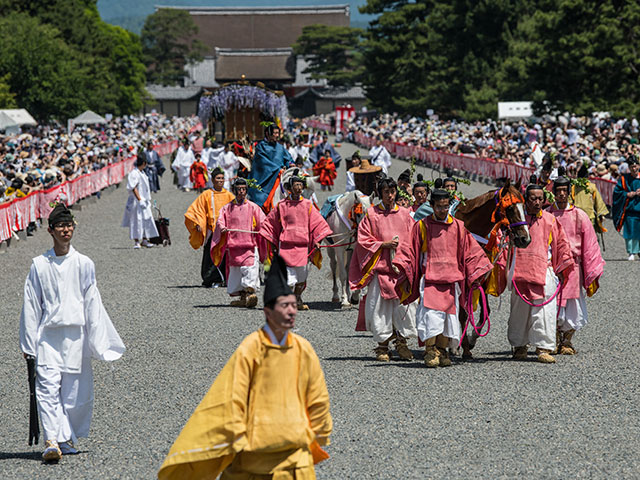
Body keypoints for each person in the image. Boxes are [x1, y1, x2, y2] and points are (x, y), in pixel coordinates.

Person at [157, 254, 332, 480]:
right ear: (267, 313)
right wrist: (234, 437)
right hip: (254, 455)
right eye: (284, 306)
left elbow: (317, 395)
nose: (292, 311)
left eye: (293, 305)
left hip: (294, 456)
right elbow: (231, 397)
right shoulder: (251, 348)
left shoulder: (303, 349)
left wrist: (320, 431)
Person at [20, 203, 125, 461]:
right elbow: (31, 305)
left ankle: (65, 437)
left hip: (76, 336)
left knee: (73, 393)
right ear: (50, 230)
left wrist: (98, 340)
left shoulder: (84, 263)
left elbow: (93, 303)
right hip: (48, 337)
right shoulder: (39, 265)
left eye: (68, 225)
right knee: (46, 388)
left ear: (73, 228)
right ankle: (51, 440)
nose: (65, 230)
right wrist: (28, 345)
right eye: (60, 226)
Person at [394, 189, 493, 367]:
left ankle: (442, 350)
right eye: (439, 207)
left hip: (451, 280)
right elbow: (409, 248)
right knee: (431, 317)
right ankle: (430, 351)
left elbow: (470, 252)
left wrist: (477, 272)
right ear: (431, 206)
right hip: (430, 279)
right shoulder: (421, 226)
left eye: (446, 206)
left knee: (448, 318)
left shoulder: (458, 227)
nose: (442, 210)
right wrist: (402, 264)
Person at [349, 177, 417, 362]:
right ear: (380, 194)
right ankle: (382, 347)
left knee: (404, 310)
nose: (390, 195)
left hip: (401, 270)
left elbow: (413, 240)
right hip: (380, 271)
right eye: (386, 192)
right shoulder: (371, 214)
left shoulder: (405, 214)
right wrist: (383, 244)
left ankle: (402, 343)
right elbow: (362, 240)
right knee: (379, 310)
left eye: (392, 191)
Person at [508, 184, 573, 364]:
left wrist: (562, 268)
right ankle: (520, 346)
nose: (537, 202)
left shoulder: (550, 220)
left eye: (540, 199)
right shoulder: (515, 220)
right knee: (519, 313)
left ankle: (543, 348)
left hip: (544, 270)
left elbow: (561, 245)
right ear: (525, 200)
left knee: (545, 312)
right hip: (520, 271)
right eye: (533, 199)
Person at [547, 176, 605, 354]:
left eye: (565, 190)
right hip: (552, 265)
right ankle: (553, 338)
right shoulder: (547, 214)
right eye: (558, 191)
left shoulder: (580, 215)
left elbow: (590, 245)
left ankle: (567, 341)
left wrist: (590, 269)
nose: (562, 194)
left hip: (574, 266)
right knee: (552, 301)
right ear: (554, 192)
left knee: (572, 302)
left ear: (569, 191)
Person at [260, 174, 332, 310]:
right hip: (286, 245)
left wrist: (317, 240)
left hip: (302, 246)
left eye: (300, 185)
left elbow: (318, 223)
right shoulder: (281, 206)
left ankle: (298, 298)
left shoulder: (308, 205)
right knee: (288, 278)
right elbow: (270, 223)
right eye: (296, 185)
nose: (299, 188)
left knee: (302, 276)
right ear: (290, 188)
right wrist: (269, 237)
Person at [210, 178, 266, 308]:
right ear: (234, 190)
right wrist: (222, 227)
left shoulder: (253, 207)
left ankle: (250, 293)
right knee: (236, 271)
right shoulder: (227, 208)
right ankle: (241, 296)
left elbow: (263, 221)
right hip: (234, 245)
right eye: (239, 189)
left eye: (244, 189)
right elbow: (220, 220)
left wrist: (263, 230)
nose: (241, 192)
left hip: (249, 245)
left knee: (250, 269)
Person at [184, 168, 235, 287]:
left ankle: (224, 279)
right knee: (210, 254)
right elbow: (197, 209)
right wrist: (198, 223)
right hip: (211, 230)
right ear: (212, 180)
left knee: (224, 254)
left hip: (224, 230)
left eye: (222, 178)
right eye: (218, 178)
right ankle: (210, 278)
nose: (220, 181)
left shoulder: (229, 195)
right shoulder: (206, 194)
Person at [249, 124, 294, 212]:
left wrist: (291, 164)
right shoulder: (261, 146)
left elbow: (288, 158)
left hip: (280, 175)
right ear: (267, 133)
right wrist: (278, 170)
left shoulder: (280, 147)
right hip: (266, 178)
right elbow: (262, 163)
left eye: (278, 133)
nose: (277, 135)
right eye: (275, 133)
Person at [122, 155, 159, 249]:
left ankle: (145, 239)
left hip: (144, 201)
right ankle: (137, 241)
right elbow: (133, 187)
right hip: (136, 201)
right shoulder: (134, 173)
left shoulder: (142, 173)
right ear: (144, 163)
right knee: (136, 220)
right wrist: (139, 199)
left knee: (147, 219)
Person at [612, 156, 640, 260]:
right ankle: (631, 252)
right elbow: (617, 192)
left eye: (636, 166)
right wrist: (627, 194)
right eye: (632, 166)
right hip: (629, 210)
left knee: (638, 232)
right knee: (630, 232)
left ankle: (637, 251)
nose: (634, 168)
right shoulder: (624, 179)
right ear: (629, 167)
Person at [570, 164, 609, 234]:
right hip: (585, 216)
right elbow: (598, 201)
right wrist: (601, 214)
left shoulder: (574, 187)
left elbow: (569, 201)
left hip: (578, 216)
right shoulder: (590, 187)